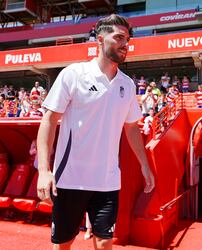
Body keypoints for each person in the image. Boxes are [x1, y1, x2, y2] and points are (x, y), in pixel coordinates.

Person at [36, 14, 155, 250]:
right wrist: (43, 170)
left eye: (128, 39)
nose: (125, 44)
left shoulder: (127, 84)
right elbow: (49, 119)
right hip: (70, 179)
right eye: (119, 37)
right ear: (100, 40)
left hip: (108, 180)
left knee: (104, 243)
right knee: (63, 244)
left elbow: (131, 127)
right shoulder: (74, 74)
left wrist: (144, 164)